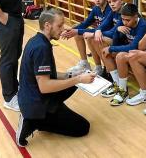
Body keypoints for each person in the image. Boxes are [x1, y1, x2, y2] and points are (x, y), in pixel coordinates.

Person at [16, 8, 95, 147]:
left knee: (74, 81)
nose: (63, 29)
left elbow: (46, 74)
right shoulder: (42, 48)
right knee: (83, 127)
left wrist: (70, 75)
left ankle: (47, 113)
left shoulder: (37, 40)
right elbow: (45, 86)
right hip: (37, 102)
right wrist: (78, 79)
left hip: (31, 96)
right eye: (59, 25)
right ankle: (33, 121)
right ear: (47, 25)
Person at [100, 3, 146, 106]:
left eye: (128, 20)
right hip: (132, 52)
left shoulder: (143, 25)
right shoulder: (122, 22)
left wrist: (111, 48)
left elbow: (133, 47)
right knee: (104, 49)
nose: (125, 22)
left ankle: (122, 91)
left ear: (136, 16)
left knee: (120, 55)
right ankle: (118, 86)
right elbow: (115, 42)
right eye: (123, 19)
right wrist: (117, 31)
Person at [61, 0, 111, 75]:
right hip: (99, 33)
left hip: (108, 35)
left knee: (91, 37)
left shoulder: (110, 10)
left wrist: (76, 31)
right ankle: (86, 63)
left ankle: (107, 68)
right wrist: (71, 30)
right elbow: (85, 23)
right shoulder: (96, 9)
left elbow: (103, 29)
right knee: (79, 32)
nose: (97, 0)